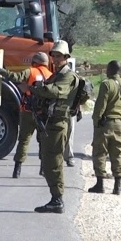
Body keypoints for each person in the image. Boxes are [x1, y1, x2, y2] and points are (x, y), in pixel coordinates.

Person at [29, 40, 82, 214]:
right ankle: (55, 198)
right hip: (50, 123)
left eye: (59, 56)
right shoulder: (56, 74)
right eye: (54, 56)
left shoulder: (67, 76)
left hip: (59, 124)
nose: (56, 59)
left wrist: (37, 89)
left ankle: (57, 199)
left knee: (55, 162)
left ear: (66, 57)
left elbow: (55, 91)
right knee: (48, 160)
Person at [0, 52, 52, 179]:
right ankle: (43, 169)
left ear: (35, 62)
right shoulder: (50, 76)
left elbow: (15, 77)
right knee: (43, 141)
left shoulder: (30, 71)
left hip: (27, 111)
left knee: (24, 140)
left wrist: (1, 71)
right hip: (43, 113)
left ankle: (17, 170)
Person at [89, 60, 121, 195]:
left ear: (109, 70)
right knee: (116, 153)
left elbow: (101, 105)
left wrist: (96, 121)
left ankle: (100, 184)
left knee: (100, 152)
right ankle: (117, 185)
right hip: (119, 122)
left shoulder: (106, 84)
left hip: (105, 123)